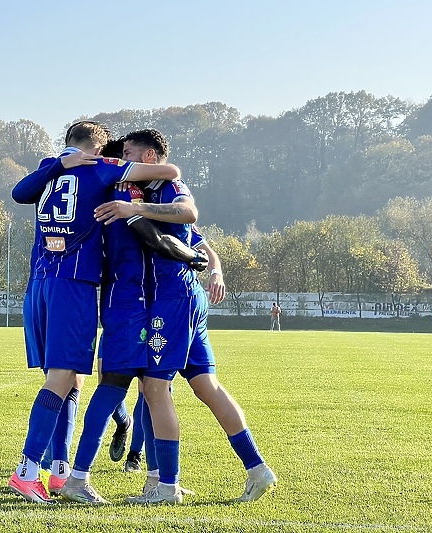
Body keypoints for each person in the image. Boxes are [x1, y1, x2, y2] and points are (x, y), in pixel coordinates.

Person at [95, 129, 277, 505]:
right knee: (207, 386)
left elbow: (189, 213)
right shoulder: (148, 189)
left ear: (147, 158)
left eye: (128, 154)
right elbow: (198, 237)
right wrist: (216, 269)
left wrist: (136, 210)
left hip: (171, 298)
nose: (122, 161)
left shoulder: (167, 183)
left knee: (155, 389)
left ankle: (166, 488)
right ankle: (257, 469)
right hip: (186, 297)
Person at [8, 121, 182, 504]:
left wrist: (59, 163)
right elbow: (171, 172)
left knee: (69, 380)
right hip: (75, 284)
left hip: (39, 281)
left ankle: (59, 471)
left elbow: (20, 193)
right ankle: (27, 471)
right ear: (97, 149)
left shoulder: (49, 167)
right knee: (61, 378)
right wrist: (109, 167)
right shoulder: (102, 168)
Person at [59, 139, 208, 504]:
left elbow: (179, 227)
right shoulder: (120, 195)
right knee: (115, 388)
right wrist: (192, 256)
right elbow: (157, 239)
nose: (126, 165)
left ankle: (159, 480)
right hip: (127, 305)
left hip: (144, 305)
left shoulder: (131, 195)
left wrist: (202, 255)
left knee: (153, 390)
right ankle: (79, 478)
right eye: (121, 159)